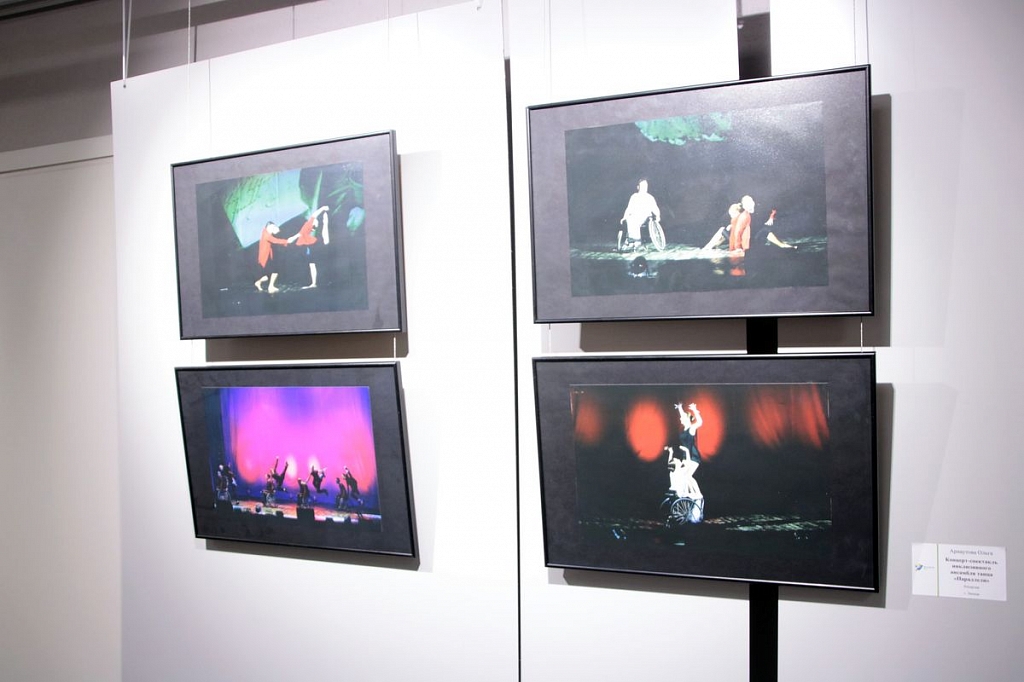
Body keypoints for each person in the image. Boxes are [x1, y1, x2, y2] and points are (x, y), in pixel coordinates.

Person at [293, 205, 330, 289]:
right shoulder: (307, 225)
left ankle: (314, 283)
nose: (315, 226)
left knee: (312, 264)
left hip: (310, 245)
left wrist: (324, 214)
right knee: (312, 264)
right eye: (315, 223)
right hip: (308, 245)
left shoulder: (309, 229)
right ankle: (313, 283)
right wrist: (323, 208)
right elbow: (314, 215)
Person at [618, 179, 661, 251]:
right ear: (638, 187)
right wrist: (624, 217)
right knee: (630, 219)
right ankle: (631, 241)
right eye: (642, 186)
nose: (644, 187)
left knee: (633, 220)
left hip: (646, 218)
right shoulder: (634, 196)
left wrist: (658, 216)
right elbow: (629, 208)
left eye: (646, 186)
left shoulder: (649, 197)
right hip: (634, 216)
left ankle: (635, 242)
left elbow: (655, 208)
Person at [254, 221, 294, 293]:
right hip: (265, 258)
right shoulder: (266, 235)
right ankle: (271, 287)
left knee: (268, 276)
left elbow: (275, 238)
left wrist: (277, 231)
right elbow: (275, 240)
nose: (272, 229)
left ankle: (258, 282)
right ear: (268, 227)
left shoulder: (266, 232)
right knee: (275, 271)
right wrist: (287, 241)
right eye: (272, 228)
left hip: (267, 256)